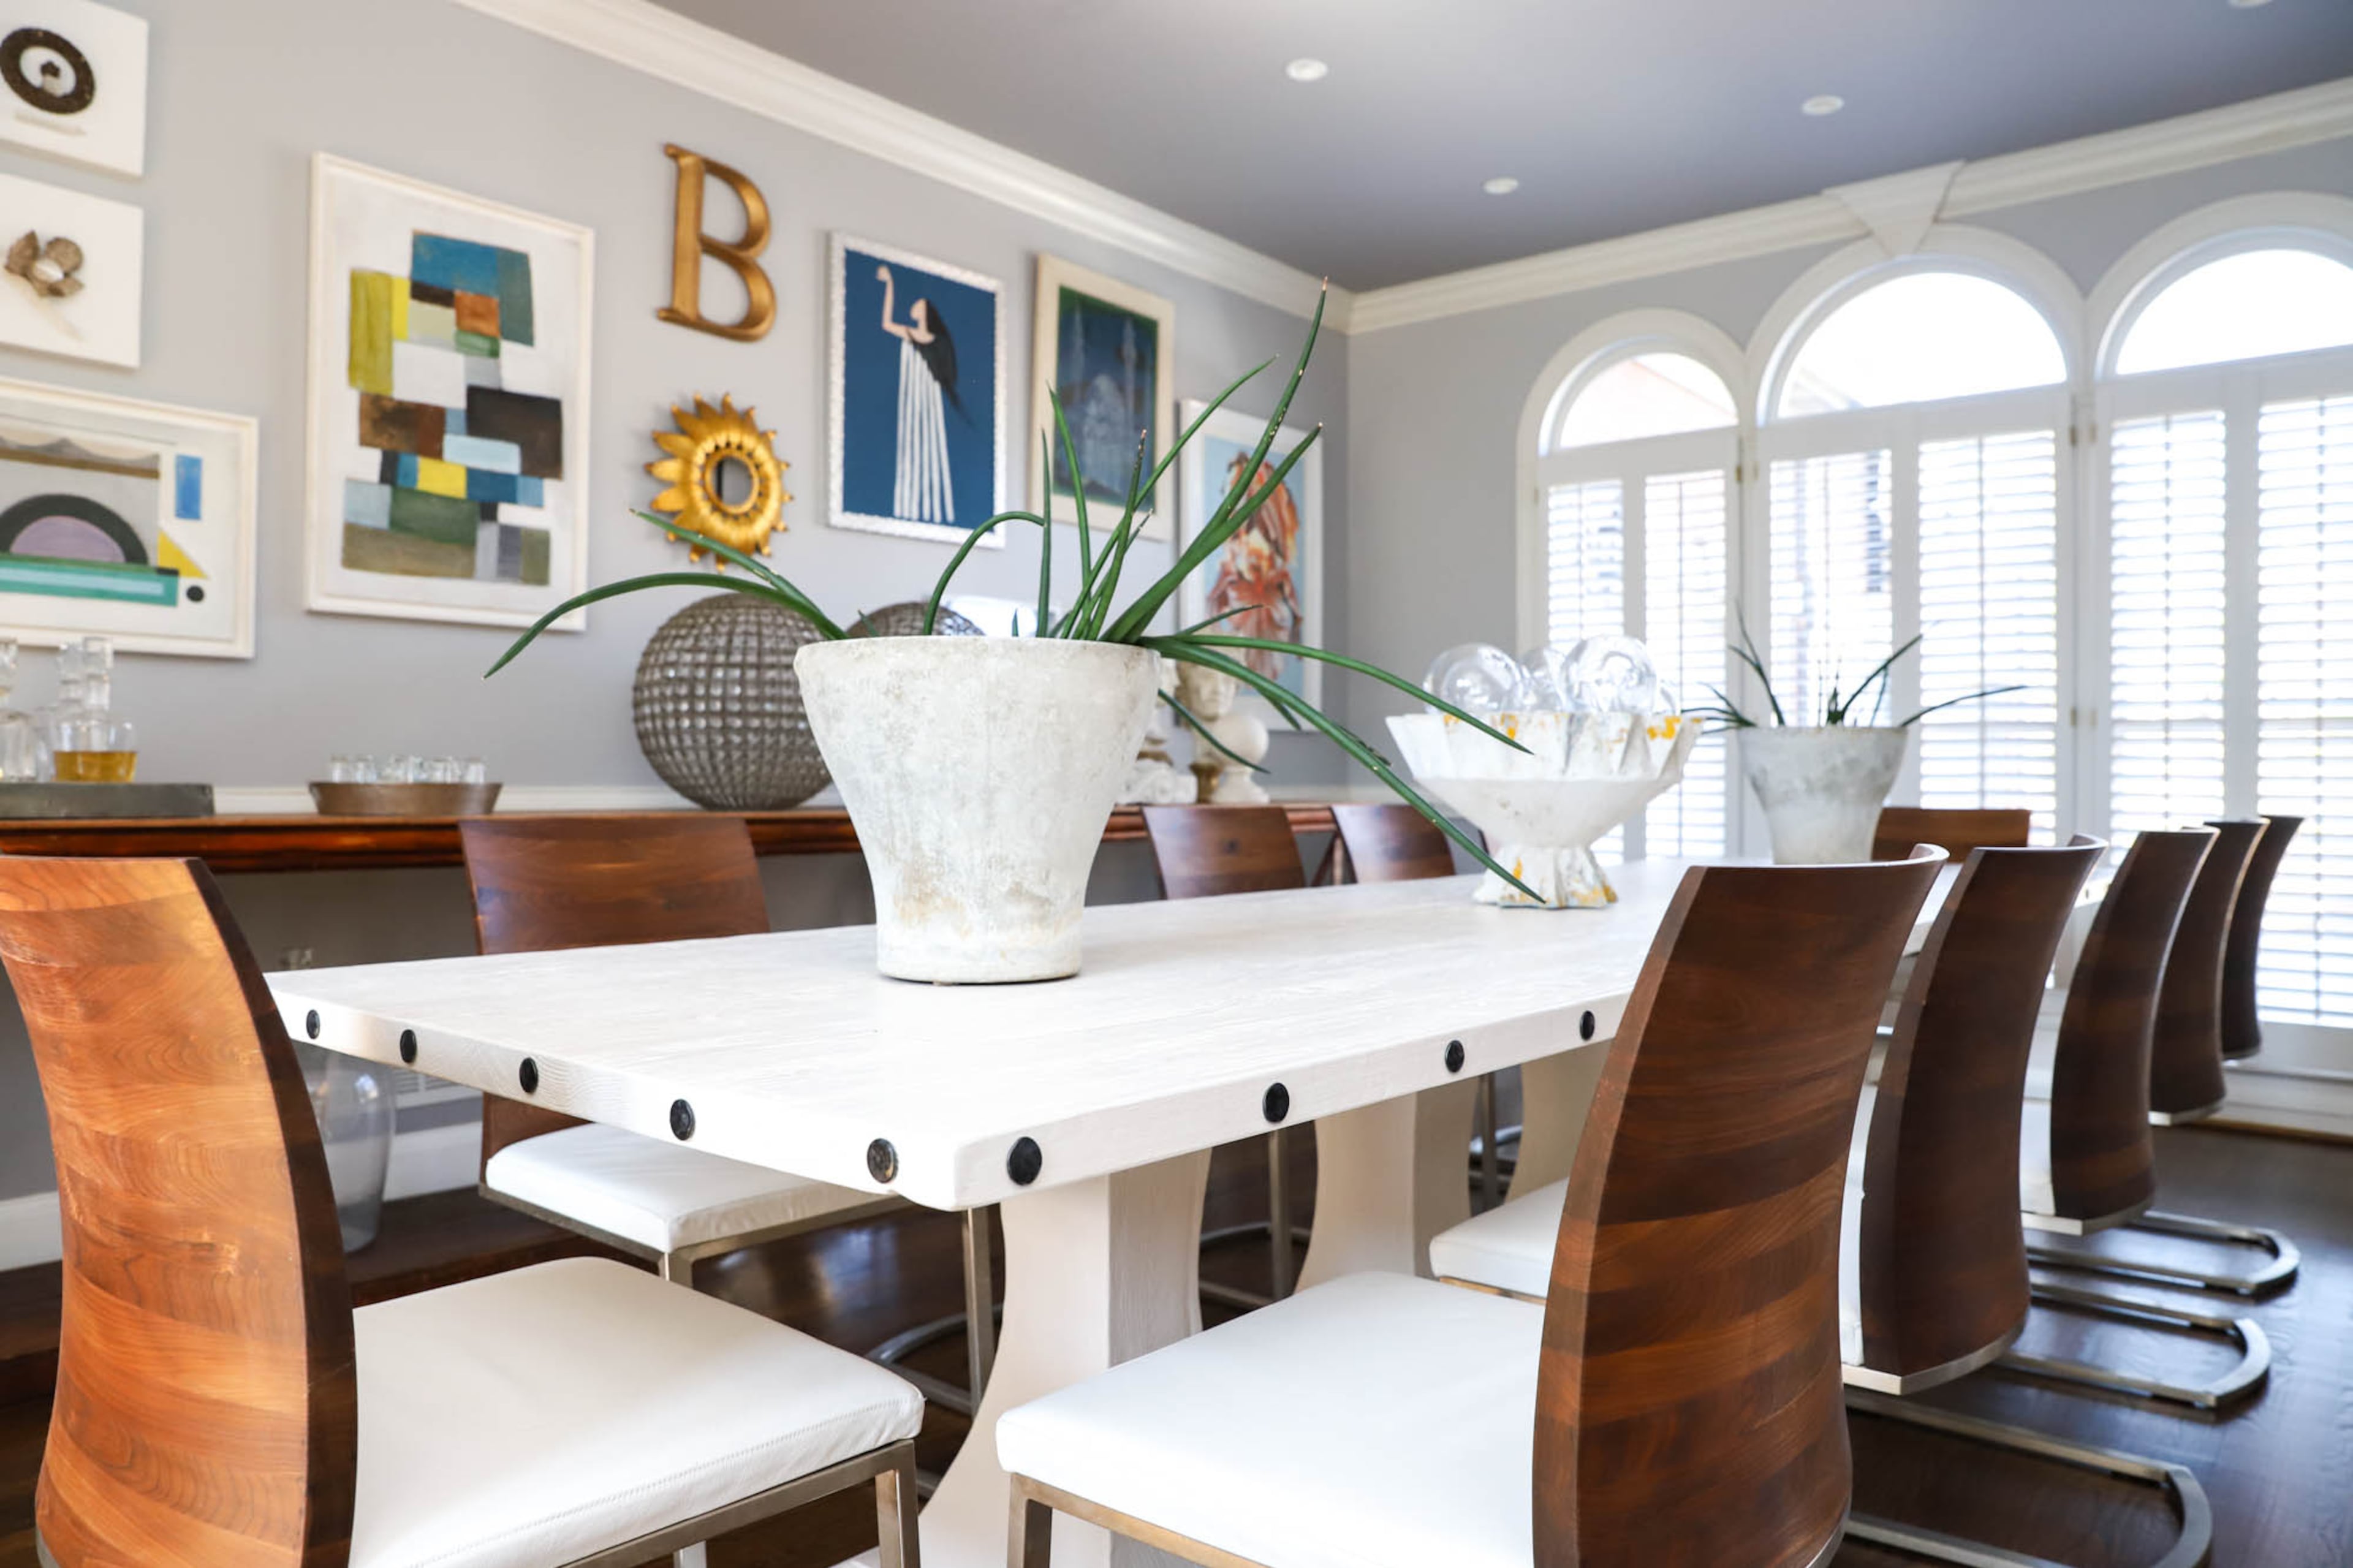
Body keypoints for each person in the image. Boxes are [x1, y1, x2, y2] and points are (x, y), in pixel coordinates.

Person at [878, 263, 962, 525]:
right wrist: (889, 285)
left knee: (929, 446)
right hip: (913, 400)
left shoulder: (937, 342)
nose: (913, 308)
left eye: (918, 305)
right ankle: (913, 504)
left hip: (928, 397)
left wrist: (890, 283)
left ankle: (934, 508)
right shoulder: (914, 334)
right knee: (913, 445)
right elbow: (887, 323)